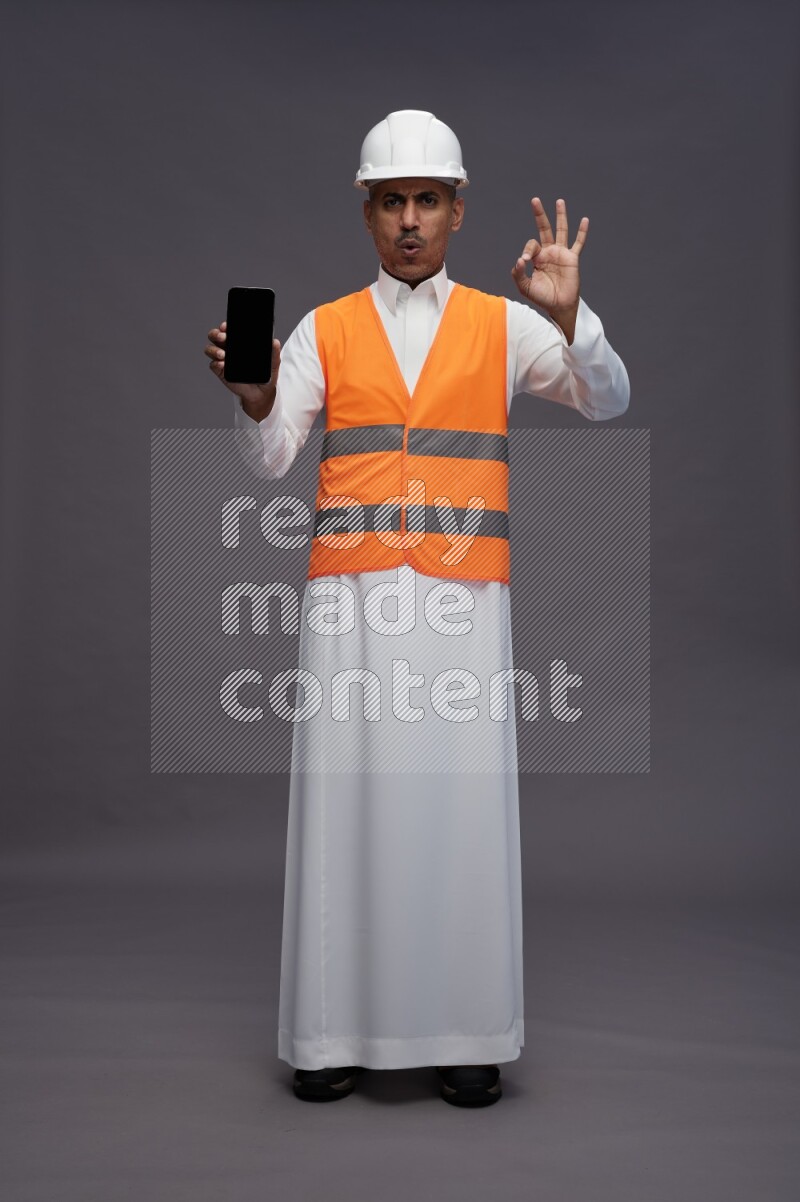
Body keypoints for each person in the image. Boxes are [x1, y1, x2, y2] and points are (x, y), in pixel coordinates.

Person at [204, 109, 630, 1107]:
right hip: (348, 607)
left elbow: (604, 398)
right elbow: (268, 460)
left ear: (455, 210)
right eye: (390, 200)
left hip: (459, 609)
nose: (407, 218)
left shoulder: (502, 320)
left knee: (458, 809)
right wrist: (257, 393)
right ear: (366, 213)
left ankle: (464, 1029)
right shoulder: (319, 327)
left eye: (425, 200)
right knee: (343, 808)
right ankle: (329, 1033)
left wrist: (572, 317)